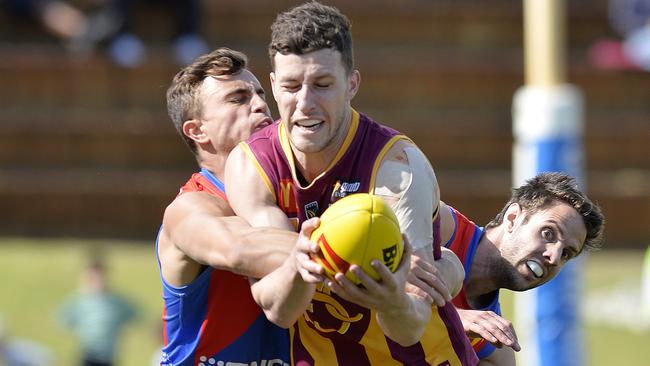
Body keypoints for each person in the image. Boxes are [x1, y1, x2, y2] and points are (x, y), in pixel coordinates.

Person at [225, 2, 477, 365]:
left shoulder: (397, 168)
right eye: (292, 86)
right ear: (274, 86)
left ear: (352, 84)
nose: (305, 103)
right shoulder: (253, 166)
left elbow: (410, 328)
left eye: (323, 85)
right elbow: (279, 310)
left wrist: (392, 300)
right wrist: (298, 266)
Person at [158, 47, 323, 365]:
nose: (261, 105)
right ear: (197, 130)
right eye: (238, 98)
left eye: (261, 94)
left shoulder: (301, 191)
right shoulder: (190, 208)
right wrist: (355, 251)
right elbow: (240, 248)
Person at [435, 172, 605, 365]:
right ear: (513, 218)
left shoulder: (495, 348)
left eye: (566, 253)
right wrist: (452, 319)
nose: (555, 257)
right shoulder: (439, 225)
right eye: (548, 233)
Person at [56, 257, 137, 366]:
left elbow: (134, 314)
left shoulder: (115, 300)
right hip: (87, 353)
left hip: (108, 354)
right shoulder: (81, 300)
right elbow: (63, 318)